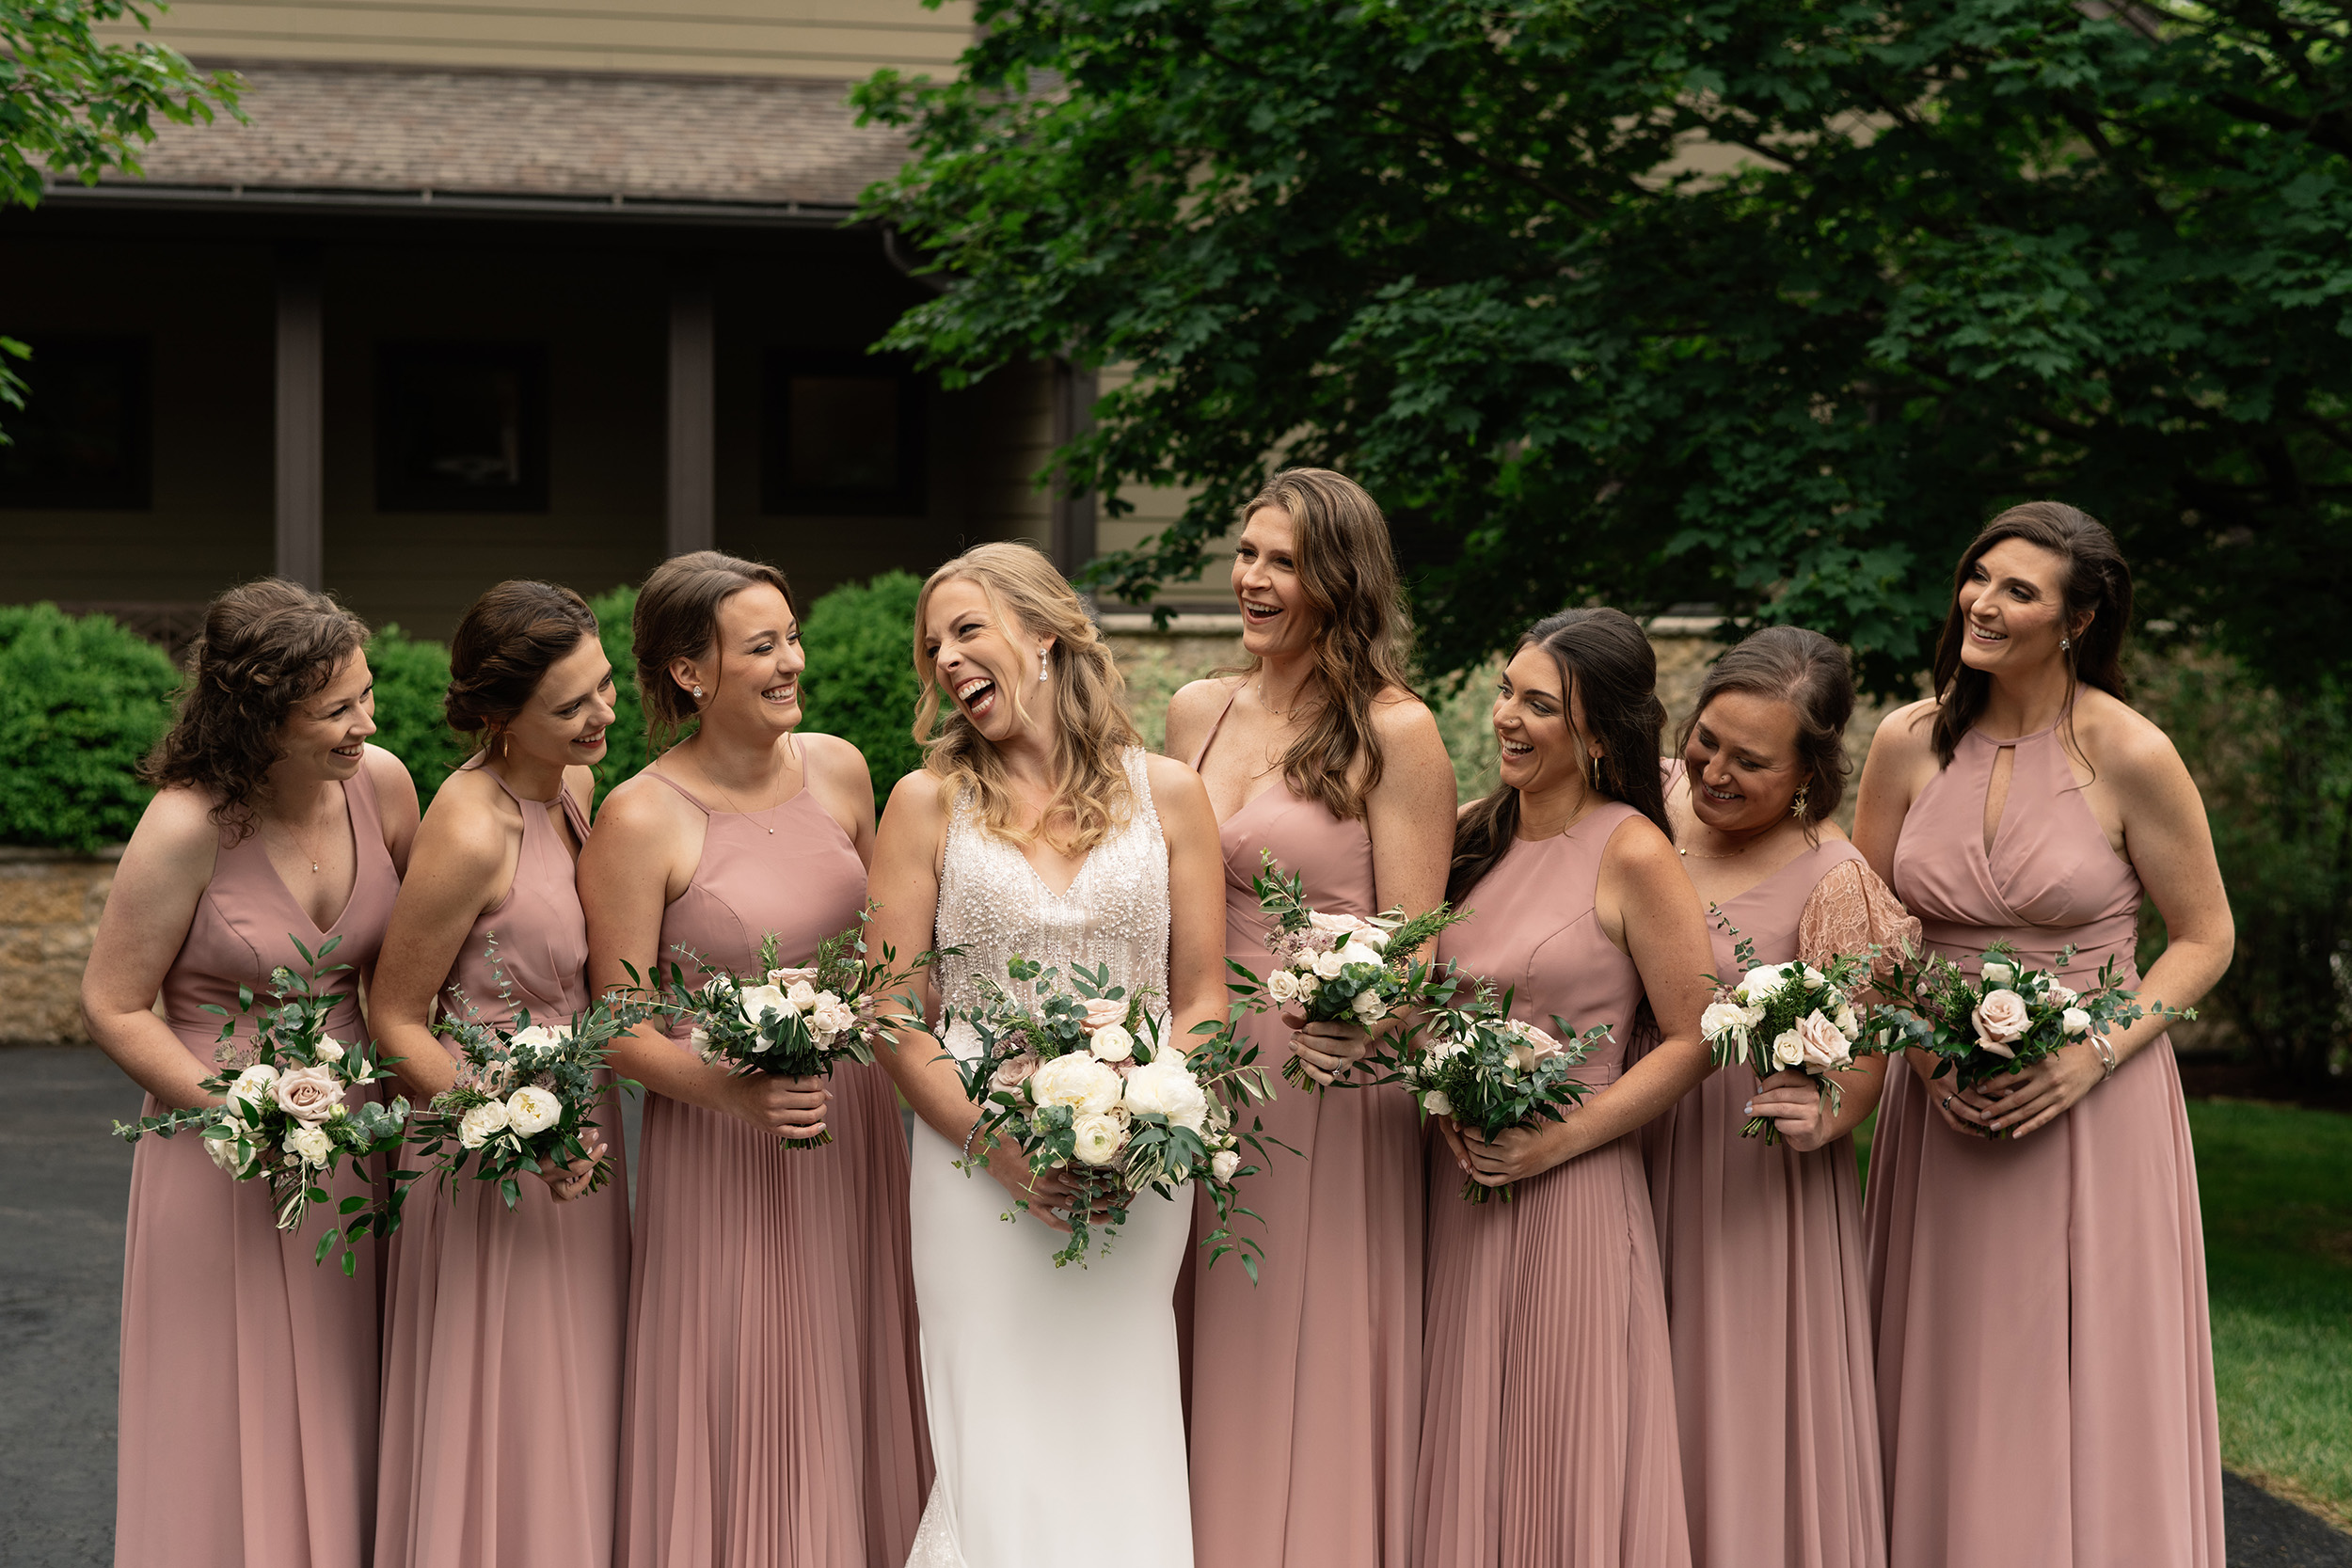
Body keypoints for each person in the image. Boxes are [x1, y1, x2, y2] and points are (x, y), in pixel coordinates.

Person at [1853, 502, 2233, 1567]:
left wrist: (2091, 1055)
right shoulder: (1903, 740)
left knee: (2078, 1369)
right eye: (1978, 575)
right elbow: (1867, 921)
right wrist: (1924, 1056)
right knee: (1948, 1367)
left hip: (2092, 1108)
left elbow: (2204, 937)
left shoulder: (2132, 751)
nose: (1981, 600)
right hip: (1938, 1110)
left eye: (2017, 589)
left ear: (2078, 618)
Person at [866, 542, 1228, 1568]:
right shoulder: (925, 801)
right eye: (931, 644)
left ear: (1046, 630)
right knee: (996, 1418)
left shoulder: (1170, 794)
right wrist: (997, 1139)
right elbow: (893, 1007)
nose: (944, 657)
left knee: (1116, 1401)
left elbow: (1200, 995)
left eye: (966, 629)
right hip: (972, 1155)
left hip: (1141, 1157)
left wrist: (1148, 1107)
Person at [581, 550, 929, 1568]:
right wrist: (727, 1090)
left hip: (852, 1128)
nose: (793, 661)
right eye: (763, 644)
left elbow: (888, 953)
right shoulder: (640, 815)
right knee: (749, 1383)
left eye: (791, 636)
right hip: (727, 1150)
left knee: (853, 1365)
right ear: (692, 672)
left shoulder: (840, 767)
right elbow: (618, 1019)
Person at [81, 578, 419, 1568]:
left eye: (366, 694)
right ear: (258, 713)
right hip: (220, 1151)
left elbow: (409, 968)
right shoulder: (189, 823)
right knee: (224, 1403)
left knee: (350, 1386)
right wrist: (245, 1111)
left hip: (359, 1143)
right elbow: (112, 1001)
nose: (367, 722)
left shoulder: (385, 784)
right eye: (336, 709)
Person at [1163, 468, 1454, 1567]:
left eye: (1281, 560)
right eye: (1246, 553)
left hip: (1322, 1077)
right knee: (1186, 1325)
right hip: (1185, 1068)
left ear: (1338, 578)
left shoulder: (1394, 728)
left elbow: (1418, 941)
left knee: (1299, 1337)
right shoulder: (1199, 709)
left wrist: (1363, 1016)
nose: (1252, 577)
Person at [1415, 607, 1716, 1568]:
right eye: (1505, 691)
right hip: (1457, 1188)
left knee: (1567, 1448)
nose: (1506, 715)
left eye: (1537, 703)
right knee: (1470, 1449)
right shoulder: (1469, 834)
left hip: (1574, 1191)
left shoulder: (1631, 848)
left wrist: (1551, 1141)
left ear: (1595, 733)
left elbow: (1691, 1038)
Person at [370, 580, 630, 1568]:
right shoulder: (469, 825)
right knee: (508, 1406)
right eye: (571, 705)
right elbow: (396, 1016)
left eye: (603, 685)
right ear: (496, 715)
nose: (603, 713)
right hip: (491, 1154)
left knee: (578, 1395)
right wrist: (519, 1131)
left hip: (582, 1137)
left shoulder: (576, 786)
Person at [1645, 626, 1916, 1568]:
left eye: (1748, 760)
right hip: (1620, 1144)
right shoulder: (1649, 807)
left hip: (1739, 1179)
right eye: (1705, 739)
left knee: (1725, 1407)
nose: (1713, 770)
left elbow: (1868, 1050)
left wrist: (1832, 1110)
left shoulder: (1834, 878)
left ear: (1808, 771)